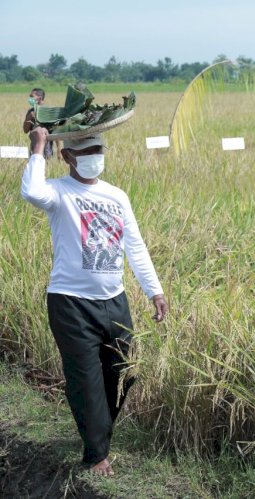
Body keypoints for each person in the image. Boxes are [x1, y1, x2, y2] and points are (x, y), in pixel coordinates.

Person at [21, 127, 168, 476]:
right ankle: (96, 453)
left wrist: (155, 290)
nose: (93, 156)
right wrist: (38, 148)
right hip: (70, 302)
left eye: (97, 148)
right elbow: (31, 191)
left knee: (119, 374)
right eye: (84, 151)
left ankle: (98, 434)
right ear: (67, 157)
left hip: (114, 301)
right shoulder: (58, 191)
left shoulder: (117, 195)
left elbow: (134, 245)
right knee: (85, 378)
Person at [23, 88, 54, 158]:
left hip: (47, 148)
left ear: (39, 98)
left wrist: (59, 150)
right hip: (33, 146)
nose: (30, 98)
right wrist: (29, 117)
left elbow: (56, 130)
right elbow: (25, 130)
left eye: (32, 96)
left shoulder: (48, 112)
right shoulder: (31, 111)